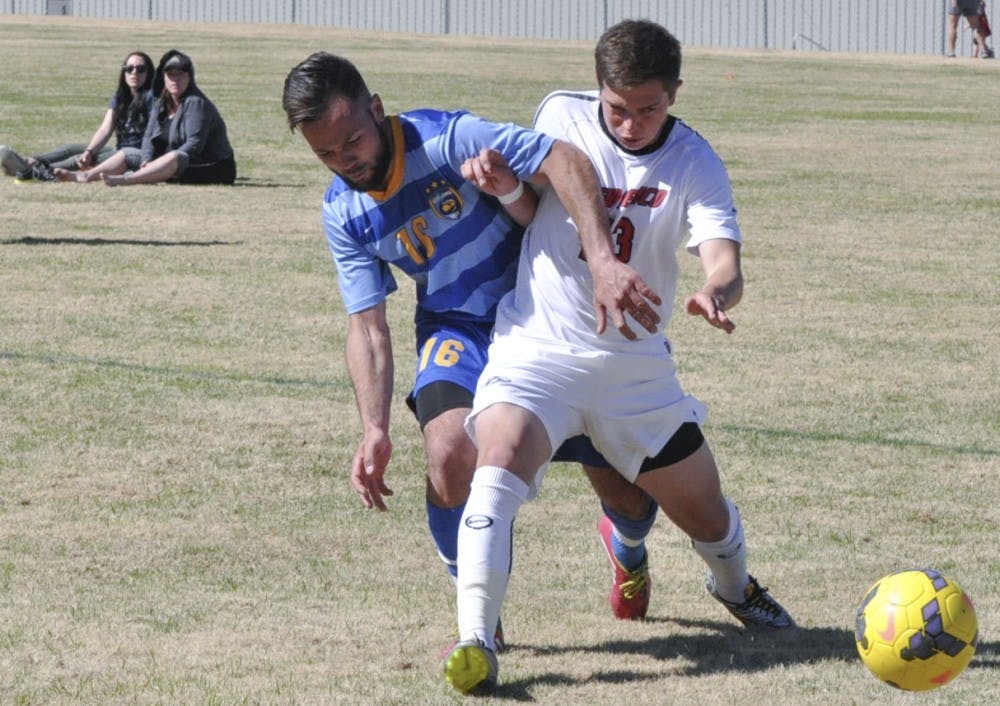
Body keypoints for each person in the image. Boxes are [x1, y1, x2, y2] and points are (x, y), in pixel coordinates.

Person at [444, 20, 795, 696]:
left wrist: (716, 292)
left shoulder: (695, 160)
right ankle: (475, 641)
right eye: (617, 109)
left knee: (705, 514)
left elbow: (725, 260)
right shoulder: (560, 114)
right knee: (498, 463)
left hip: (635, 369)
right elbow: (536, 212)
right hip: (538, 350)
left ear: (675, 93)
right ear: (597, 88)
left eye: (648, 109)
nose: (631, 125)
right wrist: (508, 188)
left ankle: (734, 588)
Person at [280, 52, 662, 649]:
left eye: (352, 139)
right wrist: (374, 428)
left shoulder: (447, 138)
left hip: (543, 316)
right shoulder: (342, 210)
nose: (345, 160)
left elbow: (563, 159)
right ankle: (480, 619)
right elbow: (368, 328)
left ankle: (627, 546)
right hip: (455, 328)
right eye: (325, 154)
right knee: (449, 451)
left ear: (376, 109)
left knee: (628, 493)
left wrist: (603, 261)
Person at [63, 50, 236, 186]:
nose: (175, 79)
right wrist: (146, 159)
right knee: (127, 153)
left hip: (210, 167)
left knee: (176, 156)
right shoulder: (162, 102)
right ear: (163, 77)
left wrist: (157, 163)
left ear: (189, 77)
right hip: (173, 163)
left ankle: (127, 180)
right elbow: (148, 136)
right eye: (170, 74)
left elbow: (194, 145)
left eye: (180, 74)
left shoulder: (196, 103)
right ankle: (86, 176)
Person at [0, 51, 155, 182]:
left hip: (136, 154)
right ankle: (29, 162)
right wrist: (89, 151)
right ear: (124, 72)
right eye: (129, 68)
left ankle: (41, 172)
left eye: (141, 69)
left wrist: (89, 155)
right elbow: (105, 129)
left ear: (149, 74)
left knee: (85, 158)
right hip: (119, 149)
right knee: (71, 148)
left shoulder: (152, 98)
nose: (134, 73)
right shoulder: (120, 96)